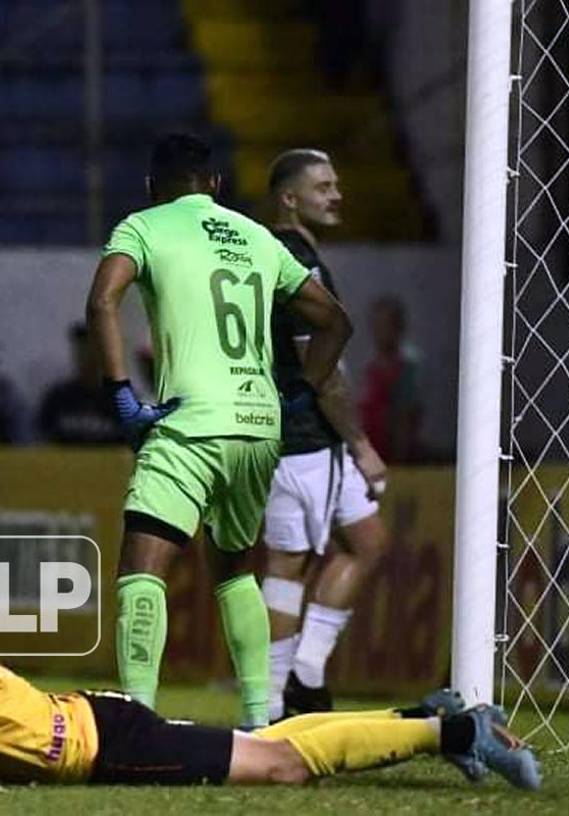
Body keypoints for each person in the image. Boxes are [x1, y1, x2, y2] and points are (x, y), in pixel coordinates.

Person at [0, 559, 541, 791]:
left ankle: (454, 730)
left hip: (101, 746)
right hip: (91, 725)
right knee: (269, 742)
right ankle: (420, 715)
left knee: (280, 766)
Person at [86, 133, 352, 729]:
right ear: (216, 186)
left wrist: (122, 396)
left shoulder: (144, 226)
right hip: (259, 427)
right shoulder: (258, 236)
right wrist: (299, 394)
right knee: (233, 570)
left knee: (142, 564)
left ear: (153, 188)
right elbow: (335, 321)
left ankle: (136, 718)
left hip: (191, 421)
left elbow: (103, 302)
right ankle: (260, 717)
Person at [258, 150, 393, 719]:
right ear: (290, 198)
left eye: (337, 184)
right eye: (323, 186)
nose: (337, 194)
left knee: (368, 542)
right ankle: (268, 701)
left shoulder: (287, 254)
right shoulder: (295, 263)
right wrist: (362, 445)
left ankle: (306, 673)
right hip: (300, 437)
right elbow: (319, 362)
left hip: (315, 438)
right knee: (286, 568)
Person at [359, 296, 424, 463]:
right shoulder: (370, 365)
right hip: (372, 451)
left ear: (397, 328)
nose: (378, 332)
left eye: (384, 326)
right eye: (376, 326)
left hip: (396, 456)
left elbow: (406, 417)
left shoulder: (407, 366)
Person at [37, 322, 123, 445]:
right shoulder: (58, 398)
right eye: (81, 349)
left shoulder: (120, 399)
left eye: (91, 348)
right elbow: (41, 440)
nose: (86, 355)